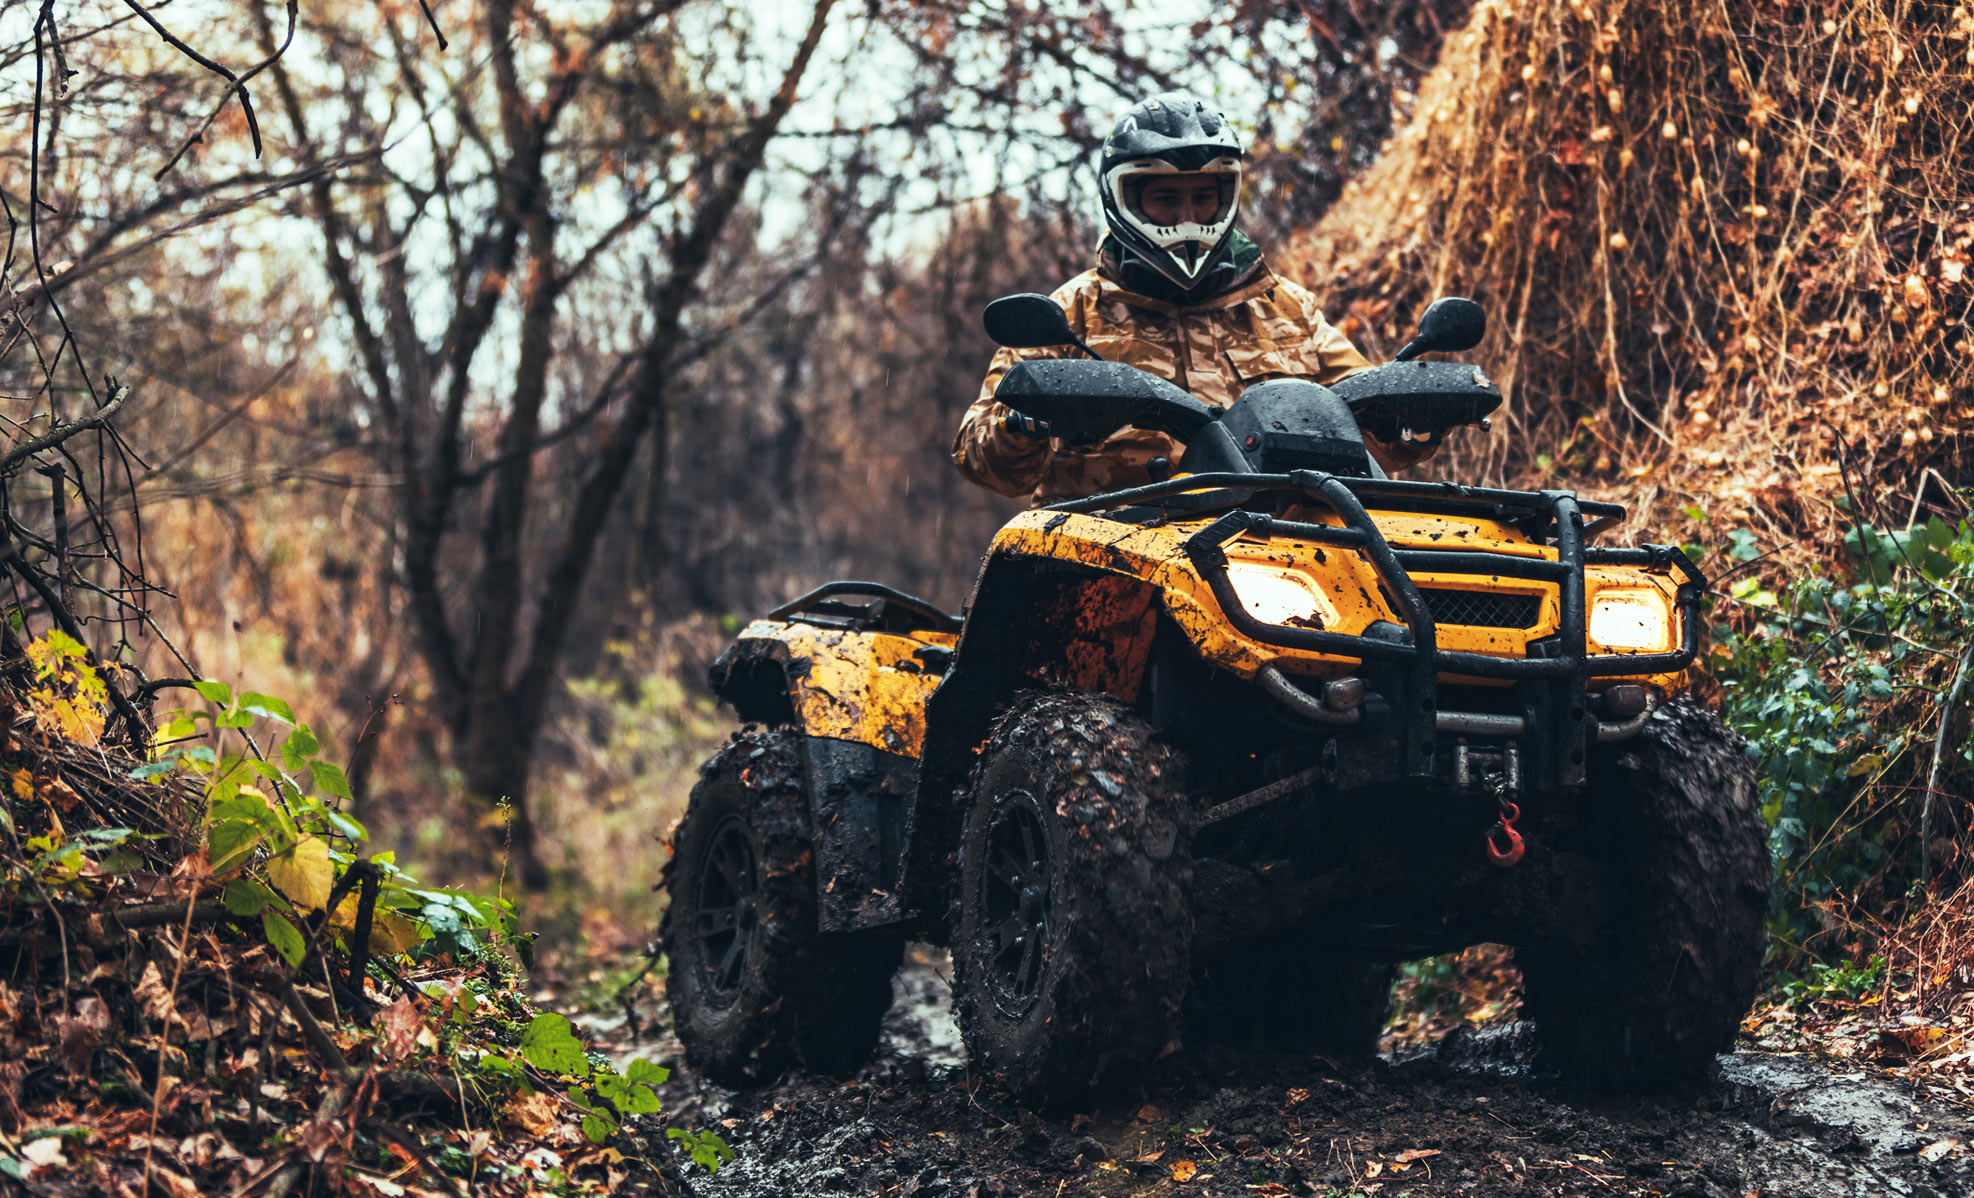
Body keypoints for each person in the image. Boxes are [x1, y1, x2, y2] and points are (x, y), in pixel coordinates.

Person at [954, 91, 1437, 507]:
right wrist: (1023, 424)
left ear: (1226, 196)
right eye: (1165, 199)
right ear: (1122, 198)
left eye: (1202, 197)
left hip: (1281, 555)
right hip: (1110, 556)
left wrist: (1410, 417)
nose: (1187, 217)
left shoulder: (1289, 310)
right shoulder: (1072, 314)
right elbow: (983, 462)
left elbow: (1373, 438)